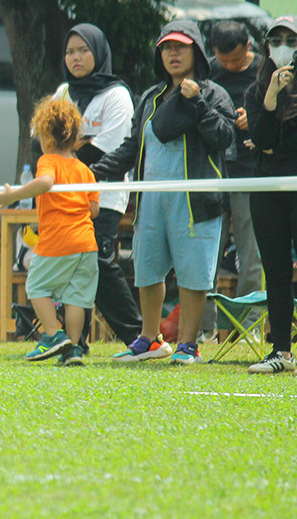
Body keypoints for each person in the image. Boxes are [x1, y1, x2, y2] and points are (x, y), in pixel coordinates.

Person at [93, 20, 235, 364]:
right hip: (151, 200)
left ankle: (188, 344)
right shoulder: (149, 97)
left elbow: (223, 138)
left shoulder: (214, 93)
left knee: (193, 273)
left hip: (195, 203)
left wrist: (197, 100)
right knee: (147, 270)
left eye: (181, 47)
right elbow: (131, 148)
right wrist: (90, 172)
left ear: (196, 52)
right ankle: (149, 339)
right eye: (167, 48)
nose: (173, 53)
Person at [51, 23, 142, 348]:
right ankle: (76, 341)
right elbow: (44, 142)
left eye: (83, 50)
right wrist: (80, 143)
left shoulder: (116, 94)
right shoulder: (63, 92)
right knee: (75, 265)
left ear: (99, 52)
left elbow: (110, 150)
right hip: (64, 198)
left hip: (104, 197)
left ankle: (138, 335)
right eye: (70, 51)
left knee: (99, 262)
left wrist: (70, 146)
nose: (76, 57)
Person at [0, 98, 100, 365]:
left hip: (57, 241)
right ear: (75, 138)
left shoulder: (48, 160)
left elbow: (46, 182)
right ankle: (73, 349)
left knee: (37, 286)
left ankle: (52, 334)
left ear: (48, 139)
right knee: (76, 297)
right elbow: (94, 209)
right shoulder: (85, 170)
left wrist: (13, 195)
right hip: (86, 243)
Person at [244, 15, 297, 373]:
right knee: (276, 272)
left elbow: (275, 144)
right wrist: (272, 95)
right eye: (275, 40)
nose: (282, 46)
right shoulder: (256, 90)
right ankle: (282, 351)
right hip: (266, 191)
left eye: (290, 40)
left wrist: (272, 148)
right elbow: (262, 139)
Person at [208, 20, 265, 340]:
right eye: (222, 59)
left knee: (250, 253)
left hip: (250, 172)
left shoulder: (263, 70)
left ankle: (246, 327)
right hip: (214, 171)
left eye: (234, 60)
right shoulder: (209, 70)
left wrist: (252, 118)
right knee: (205, 252)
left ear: (248, 47)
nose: (228, 66)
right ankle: (203, 327)